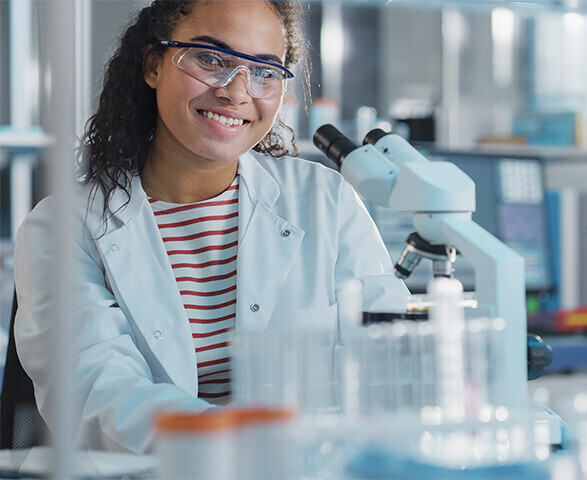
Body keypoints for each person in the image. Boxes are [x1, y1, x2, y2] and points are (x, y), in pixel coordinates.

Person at [13, 0, 409, 454]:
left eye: (264, 69)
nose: (236, 91)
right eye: (210, 58)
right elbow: (96, 392)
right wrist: (250, 446)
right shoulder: (64, 228)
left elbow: (389, 360)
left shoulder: (326, 201)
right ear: (152, 64)